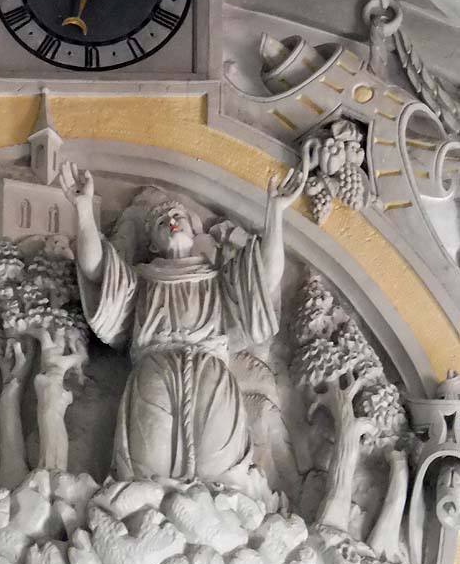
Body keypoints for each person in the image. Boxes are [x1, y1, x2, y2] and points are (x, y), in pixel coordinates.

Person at [59, 161, 305, 484]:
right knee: (147, 473)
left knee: (220, 476)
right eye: (162, 222)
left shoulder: (220, 282)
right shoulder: (141, 283)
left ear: (194, 231)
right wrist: (83, 210)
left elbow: (266, 275)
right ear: (152, 244)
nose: (172, 222)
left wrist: (275, 212)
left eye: (179, 218)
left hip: (211, 375)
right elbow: (96, 271)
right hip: (154, 372)